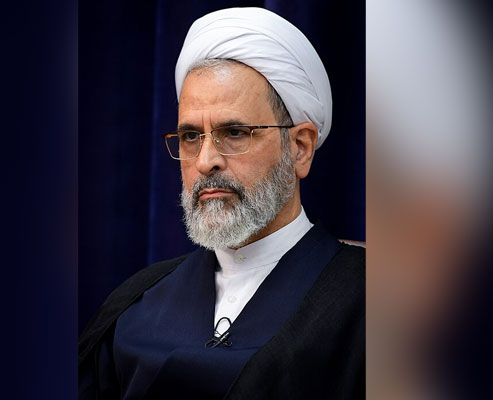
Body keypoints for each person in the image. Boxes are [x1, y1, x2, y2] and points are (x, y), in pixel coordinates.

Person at [79, 7, 364, 399]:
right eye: (190, 137)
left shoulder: (375, 306)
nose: (205, 161)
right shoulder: (134, 305)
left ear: (300, 148)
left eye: (234, 132)